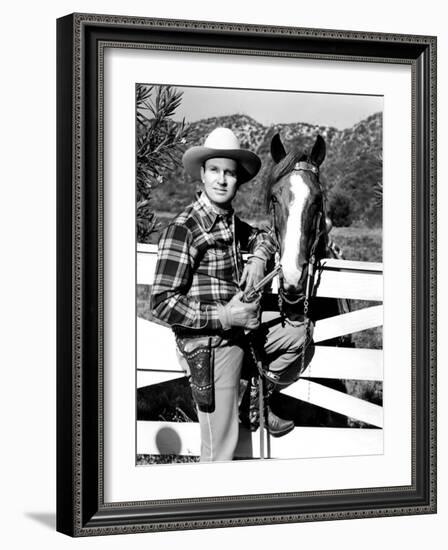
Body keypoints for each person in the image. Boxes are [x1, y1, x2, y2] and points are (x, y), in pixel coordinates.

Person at [151, 127, 311, 462]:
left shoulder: (232, 225)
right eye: (215, 171)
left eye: (230, 173)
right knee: (220, 451)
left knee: (298, 335)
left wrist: (258, 256)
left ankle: (255, 392)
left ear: (238, 180)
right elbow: (162, 303)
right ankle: (209, 509)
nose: (222, 179)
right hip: (212, 344)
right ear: (203, 174)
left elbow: (267, 236)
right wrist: (224, 315)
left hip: (240, 333)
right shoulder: (186, 228)